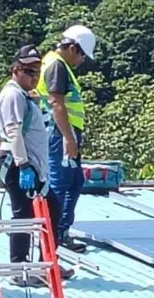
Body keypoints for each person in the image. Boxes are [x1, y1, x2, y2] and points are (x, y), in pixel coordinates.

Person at [0, 44, 75, 285]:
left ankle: (45, 264)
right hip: (19, 165)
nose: (33, 76)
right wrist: (24, 165)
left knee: (51, 211)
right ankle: (20, 268)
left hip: (33, 166)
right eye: (28, 71)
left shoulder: (24, 95)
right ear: (15, 70)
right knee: (24, 216)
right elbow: (13, 132)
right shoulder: (12, 95)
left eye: (36, 72)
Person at [36, 24, 98, 254]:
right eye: (81, 54)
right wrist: (68, 138)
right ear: (72, 47)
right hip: (60, 134)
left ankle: (61, 232)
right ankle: (50, 240)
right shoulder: (56, 66)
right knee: (60, 184)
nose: (82, 59)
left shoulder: (58, 64)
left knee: (74, 182)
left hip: (66, 133)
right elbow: (56, 103)